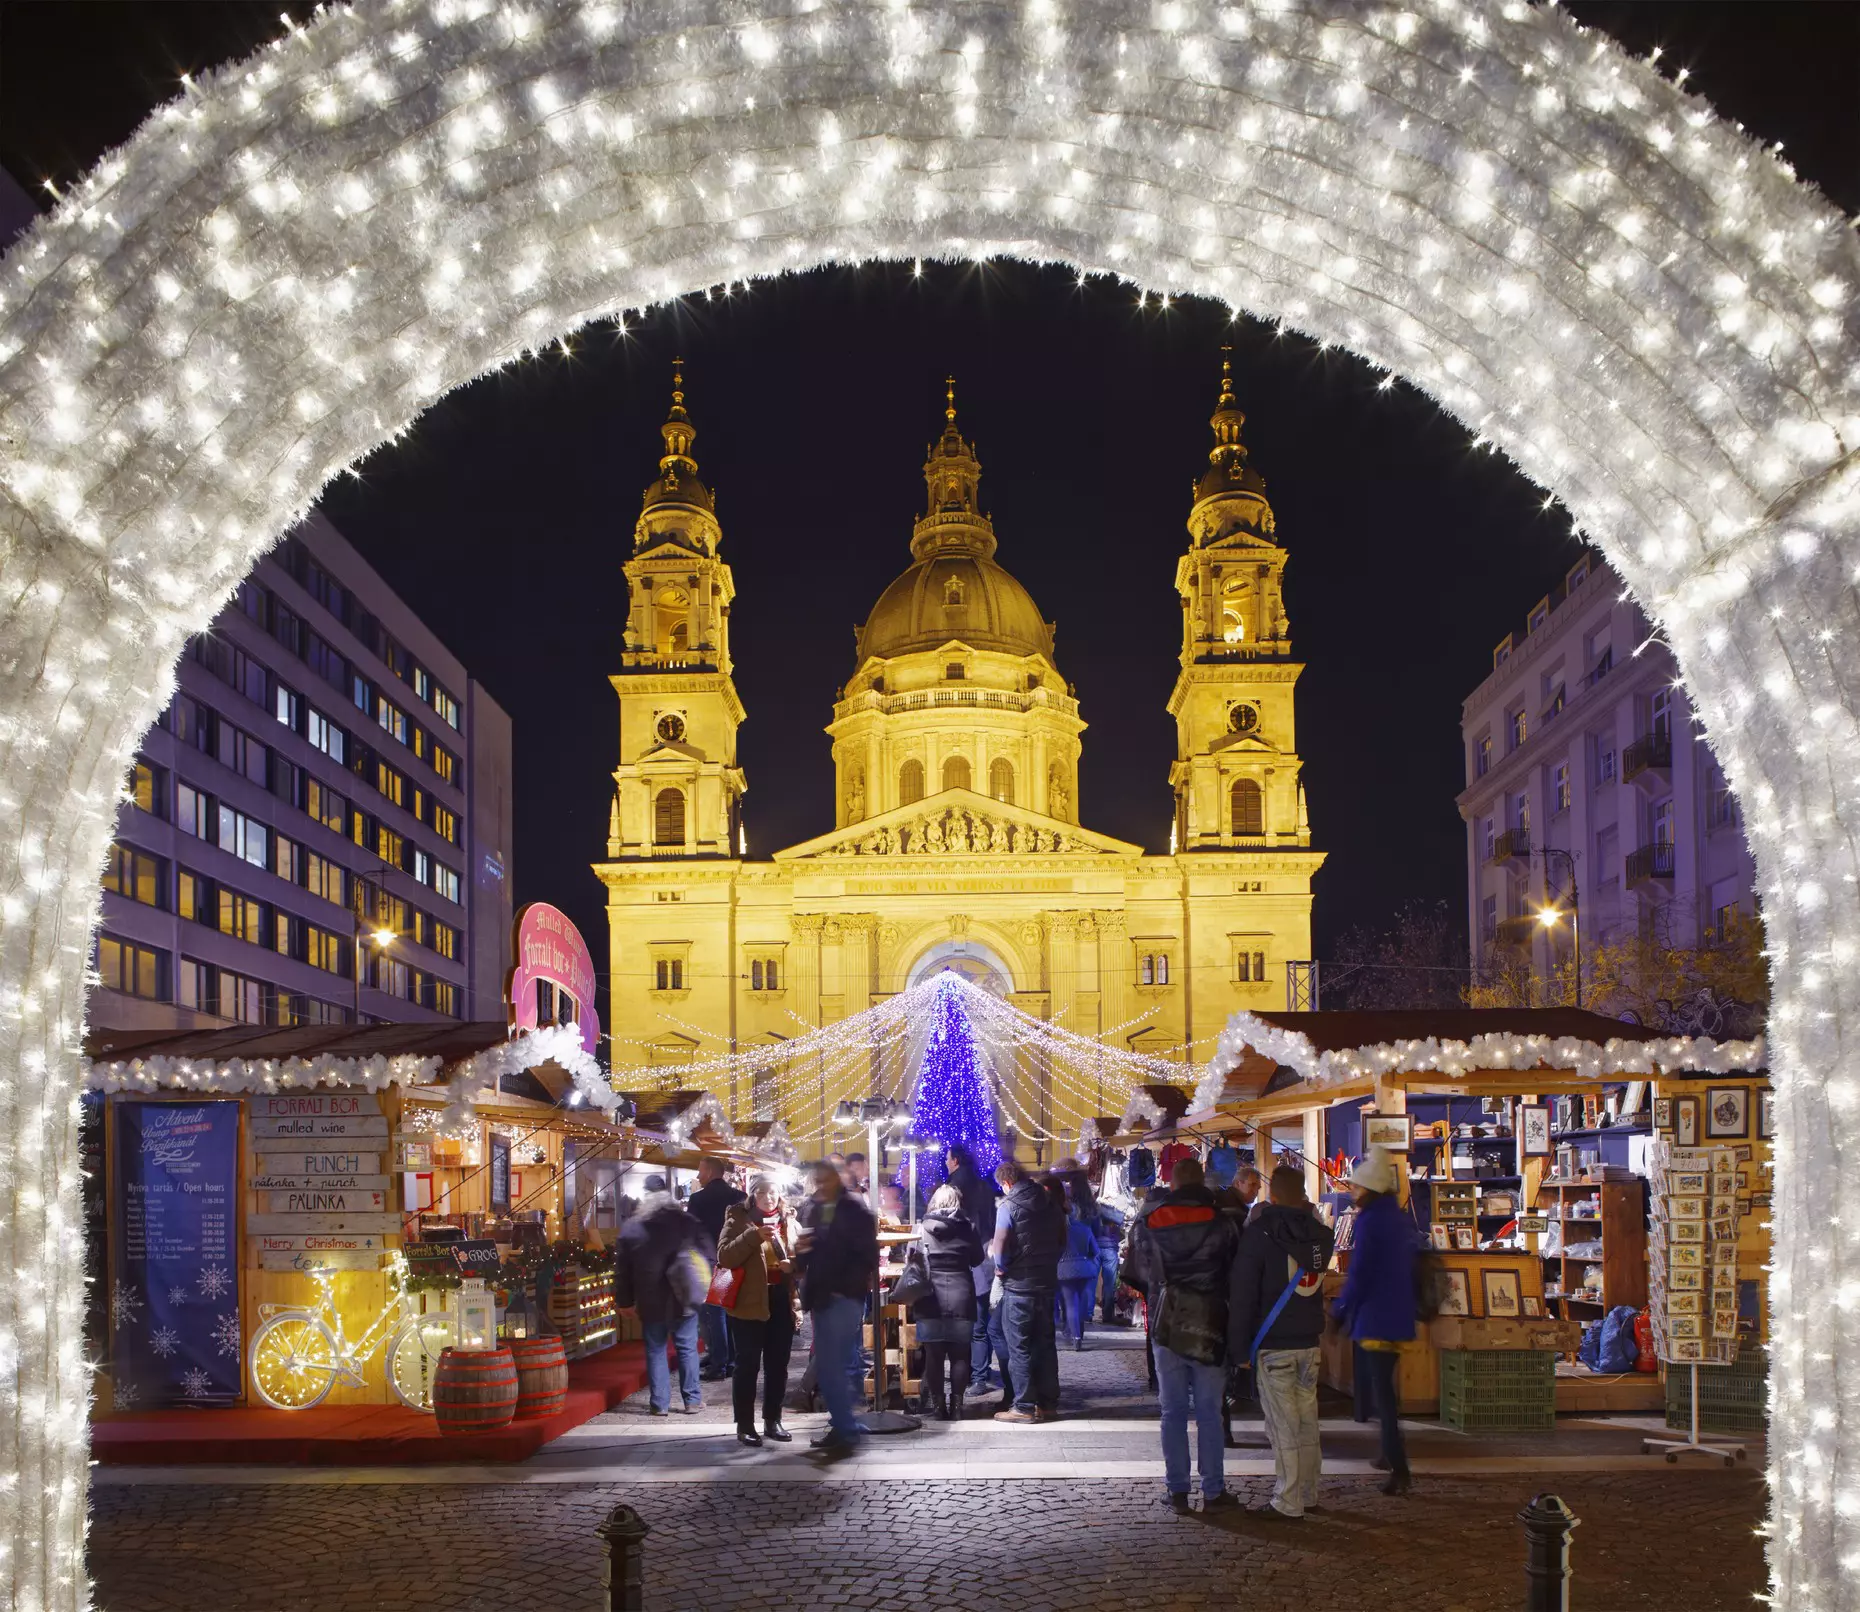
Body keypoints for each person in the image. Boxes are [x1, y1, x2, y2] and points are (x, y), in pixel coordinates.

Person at [1125, 1156, 1241, 1512]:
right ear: (1202, 1184)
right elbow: (1235, 1275)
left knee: (1172, 1410)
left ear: (1172, 1185)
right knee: (1209, 1410)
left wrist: (1162, 1291)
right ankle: (1213, 1490)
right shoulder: (1223, 1224)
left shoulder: (1149, 1223)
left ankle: (1177, 1490)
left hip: (1166, 1324)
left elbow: (1136, 1273)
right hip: (1210, 1323)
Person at [1230, 1165, 1336, 1520]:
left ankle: (1287, 1500)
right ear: (1303, 1193)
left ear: (1271, 1195)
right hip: (1309, 1341)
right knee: (1307, 1422)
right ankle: (1308, 1492)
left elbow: (1244, 1294)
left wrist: (1239, 1347)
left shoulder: (1259, 1235)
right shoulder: (1321, 1235)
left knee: (1283, 1426)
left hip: (1274, 1343)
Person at [1332, 1148, 1417, 1496]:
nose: (1352, 1191)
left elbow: (1361, 1272)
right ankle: (1388, 1454)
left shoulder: (1369, 1221)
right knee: (1384, 1393)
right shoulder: (1397, 1217)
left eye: (1356, 1187)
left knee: (1380, 1396)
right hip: (1397, 1315)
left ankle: (1399, 1467)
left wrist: (1341, 1308)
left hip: (1375, 1318)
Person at [794, 1158, 879, 1456]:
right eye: (816, 1180)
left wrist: (846, 1279)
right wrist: (802, 1253)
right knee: (836, 1364)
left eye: (823, 1179)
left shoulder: (854, 1210)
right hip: (822, 1295)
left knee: (833, 1366)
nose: (819, 1185)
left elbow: (867, 1252)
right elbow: (808, 1252)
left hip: (843, 1295)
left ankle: (845, 1427)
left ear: (834, 1180)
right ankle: (844, 1424)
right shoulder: (815, 1209)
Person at [615, 1174, 710, 1417]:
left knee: (655, 1349)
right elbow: (708, 1253)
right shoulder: (686, 1221)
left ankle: (659, 1404)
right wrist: (701, 1283)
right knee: (687, 1347)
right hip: (683, 1296)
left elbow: (623, 1269)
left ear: (645, 1197)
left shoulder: (632, 1228)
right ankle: (692, 1400)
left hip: (650, 1299)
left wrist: (624, 1301)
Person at [717, 1174, 799, 1447]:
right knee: (747, 1365)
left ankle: (773, 1420)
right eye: (761, 1192)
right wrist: (753, 1236)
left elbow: (802, 1260)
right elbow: (725, 1256)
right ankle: (745, 1424)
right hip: (749, 1302)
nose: (768, 1197)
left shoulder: (789, 1221)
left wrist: (794, 1266)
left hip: (780, 1301)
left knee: (778, 1365)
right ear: (752, 1195)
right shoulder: (738, 1219)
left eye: (773, 1192)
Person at [993, 1159, 1064, 1424]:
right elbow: (1061, 1239)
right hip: (1046, 1284)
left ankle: (1023, 1406)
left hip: (1019, 1286)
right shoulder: (1051, 1204)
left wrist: (1001, 1267)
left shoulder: (1008, 1206)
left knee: (1019, 1346)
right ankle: (1048, 1405)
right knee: (1045, 1345)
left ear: (1007, 1182)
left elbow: (1000, 1244)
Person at [913, 1183, 984, 1419]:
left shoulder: (921, 1228)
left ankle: (937, 1407)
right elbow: (976, 1259)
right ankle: (957, 1408)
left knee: (933, 1355)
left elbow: (911, 1261)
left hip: (929, 1297)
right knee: (960, 1355)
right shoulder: (968, 1228)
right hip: (961, 1295)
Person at [943, 1144, 1001, 1393]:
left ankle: (975, 1376)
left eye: (947, 1158)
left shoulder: (952, 1187)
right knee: (983, 1320)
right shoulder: (984, 1185)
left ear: (955, 1160)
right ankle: (980, 1371)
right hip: (986, 1255)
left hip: (965, 1262)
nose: (945, 1162)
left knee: (973, 1324)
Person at [686, 1156, 747, 1383]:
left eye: (700, 1170)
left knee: (716, 1313)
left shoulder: (698, 1200)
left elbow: (691, 1232)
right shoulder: (738, 1197)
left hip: (708, 1263)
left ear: (710, 1172)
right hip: (732, 1260)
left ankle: (720, 1364)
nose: (698, 1176)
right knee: (728, 1312)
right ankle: (729, 1360)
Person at [1056, 1198, 1101, 1350]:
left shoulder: (1059, 1230)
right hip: (1084, 1269)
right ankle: (1079, 1333)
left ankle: (1076, 1337)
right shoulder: (1085, 1229)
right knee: (1081, 1302)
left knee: (1070, 1304)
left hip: (1064, 1270)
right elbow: (1095, 1251)